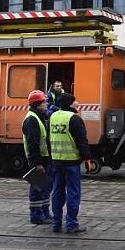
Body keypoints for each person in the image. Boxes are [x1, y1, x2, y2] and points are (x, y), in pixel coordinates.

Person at [48, 93, 93, 234]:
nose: (77, 103)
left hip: (56, 161)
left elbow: (47, 138)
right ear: (69, 104)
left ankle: (56, 223)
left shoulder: (53, 117)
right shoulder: (73, 118)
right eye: (75, 101)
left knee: (57, 192)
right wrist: (87, 159)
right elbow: (82, 141)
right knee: (73, 193)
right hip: (71, 162)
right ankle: (72, 224)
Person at [22, 89, 52, 225]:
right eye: (44, 102)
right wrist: (37, 163)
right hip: (38, 160)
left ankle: (45, 212)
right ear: (37, 105)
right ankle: (36, 215)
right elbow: (32, 144)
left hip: (44, 158)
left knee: (44, 187)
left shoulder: (39, 117)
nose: (46, 104)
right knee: (37, 188)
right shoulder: (31, 120)